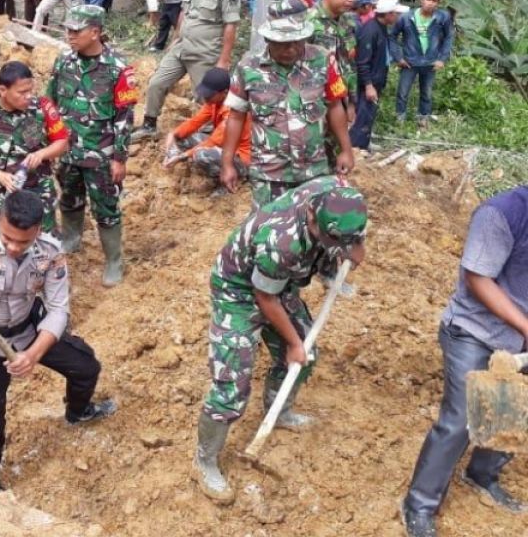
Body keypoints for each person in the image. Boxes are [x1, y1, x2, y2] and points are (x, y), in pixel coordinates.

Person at [194, 178, 367, 503]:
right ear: (313, 220)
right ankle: (204, 460)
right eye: (331, 240)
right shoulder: (282, 240)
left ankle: (280, 411)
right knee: (231, 387)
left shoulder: (343, 196)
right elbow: (265, 298)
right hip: (240, 289)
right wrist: (292, 343)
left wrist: (354, 246)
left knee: (307, 357)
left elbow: (354, 233)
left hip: (279, 284)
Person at [0, 191, 117, 493]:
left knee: (86, 366)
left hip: (29, 332)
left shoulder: (50, 252)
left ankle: (78, 411)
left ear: (38, 231)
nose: (14, 247)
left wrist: (32, 355)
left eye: (23, 241)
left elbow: (59, 310)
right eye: (8, 238)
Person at [401, 185, 528, 537]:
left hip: (520, 336)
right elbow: (477, 278)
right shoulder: (501, 214)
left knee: (511, 409)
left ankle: (482, 475)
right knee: (461, 420)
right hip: (474, 330)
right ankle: (419, 504)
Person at [219, 0, 355, 208]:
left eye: (297, 42)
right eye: (282, 43)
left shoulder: (322, 60)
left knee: (313, 231)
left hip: (314, 170)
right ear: (268, 39)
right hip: (269, 173)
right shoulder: (248, 68)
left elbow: (335, 105)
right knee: (267, 231)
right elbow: (236, 116)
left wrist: (346, 150)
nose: (290, 49)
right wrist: (227, 163)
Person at [47, 5, 138, 286]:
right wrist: (49, 143)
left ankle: (113, 260)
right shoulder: (63, 61)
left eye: (76, 30)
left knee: (106, 208)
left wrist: (119, 158)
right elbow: (50, 103)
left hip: (101, 154)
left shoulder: (119, 69)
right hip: (67, 150)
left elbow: (125, 116)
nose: (70, 35)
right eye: (68, 29)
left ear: (95, 32)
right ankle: (72, 238)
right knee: (69, 198)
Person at [134, 0, 240, 139]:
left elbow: (230, 25)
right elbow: (184, 10)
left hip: (206, 52)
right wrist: (175, 38)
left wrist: (224, 61)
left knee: (206, 96)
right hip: (183, 46)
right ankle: (149, 125)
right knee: (157, 82)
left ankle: (211, 135)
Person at [0, 61, 70, 234]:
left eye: (30, 90)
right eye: (22, 92)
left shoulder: (41, 108)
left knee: (45, 245)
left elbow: (62, 142)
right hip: (3, 196)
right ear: (3, 90)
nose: (28, 96)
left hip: (40, 193)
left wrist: (42, 154)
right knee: (8, 245)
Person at [162, 67, 251, 191]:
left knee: (201, 154)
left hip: (240, 156)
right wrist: (173, 134)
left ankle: (230, 179)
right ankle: (173, 157)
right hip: (223, 147)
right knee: (183, 138)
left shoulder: (234, 111)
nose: (205, 98)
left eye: (209, 95)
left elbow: (212, 142)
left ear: (224, 92)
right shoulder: (214, 103)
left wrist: (183, 155)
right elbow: (194, 123)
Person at [349, 0, 407, 151]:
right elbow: (362, 61)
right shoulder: (370, 31)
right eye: (396, 13)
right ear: (387, 14)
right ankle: (356, 149)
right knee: (363, 116)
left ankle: (364, 143)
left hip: (377, 79)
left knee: (369, 115)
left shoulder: (381, 27)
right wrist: (368, 85)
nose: (398, 17)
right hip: (369, 82)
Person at [391, 0, 453, 128]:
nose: (430, 3)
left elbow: (449, 37)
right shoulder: (407, 18)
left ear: (439, 3)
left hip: (430, 62)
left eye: (434, 1)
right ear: (421, 0)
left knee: (427, 93)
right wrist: (398, 57)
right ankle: (399, 119)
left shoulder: (442, 18)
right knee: (402, 92)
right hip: (409, 62)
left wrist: (441, 59)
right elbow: (392, 36)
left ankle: (423, 119)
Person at [308, 0, 361, 125]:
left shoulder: (348, 21)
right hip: (315, 103)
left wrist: (351, 101)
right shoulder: (308, 23)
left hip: (341, 100)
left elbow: (349, 64)